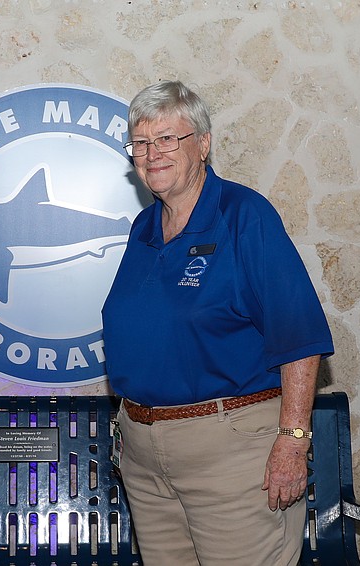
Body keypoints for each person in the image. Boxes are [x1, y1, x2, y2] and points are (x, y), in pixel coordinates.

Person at [101, 80, 334, 565]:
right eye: (140, 143)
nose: (152, 153)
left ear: (203, 143)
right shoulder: (144, 228)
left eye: (168, 138)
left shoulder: (245, 216)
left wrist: (292, 442)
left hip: (231, 457)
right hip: (146, 461)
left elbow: (300, 337)